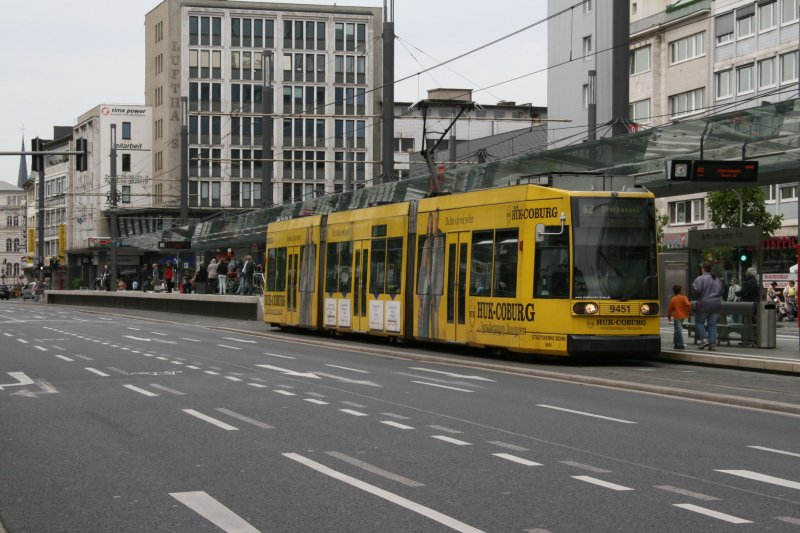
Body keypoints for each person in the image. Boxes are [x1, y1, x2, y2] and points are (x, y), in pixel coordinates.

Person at [691, 261, 723, 350]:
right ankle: (712, 344)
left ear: (703, 269)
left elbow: (696, 290)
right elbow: (721, 291)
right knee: (712, 325)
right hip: (716, 304)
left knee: (699, 322)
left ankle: (704, 340)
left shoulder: (700, 279)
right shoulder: (717, 279)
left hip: (704, 304)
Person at [667, 284, 691, 350]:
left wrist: (669, 317)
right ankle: (677, 344)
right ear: (680, 291)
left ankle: (679, 344)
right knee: (677, 330)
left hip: (677, 316)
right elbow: (688, 304)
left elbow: (670, 309)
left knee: (678, 330)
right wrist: (689, 311)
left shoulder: (673, 299)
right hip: (683, 316)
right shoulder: (684, 297)